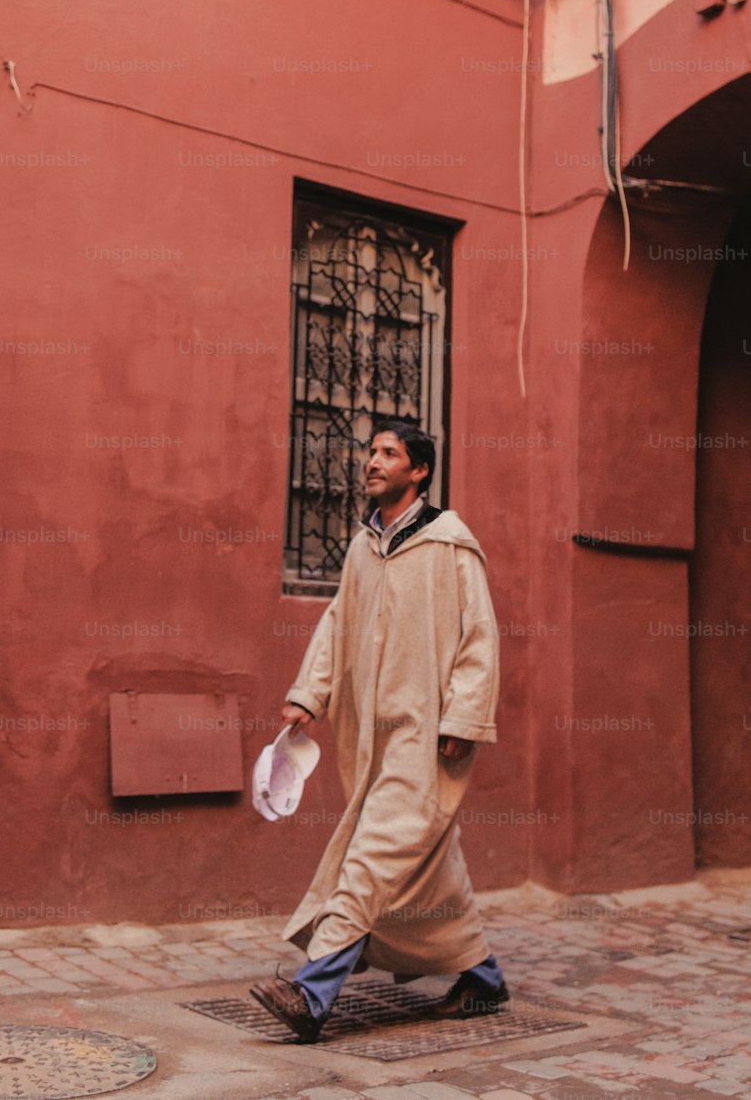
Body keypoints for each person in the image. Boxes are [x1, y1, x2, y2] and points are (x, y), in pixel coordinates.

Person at [250, 420, 506, 1042]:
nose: (373, 462)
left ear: (418, 471)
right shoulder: (364, 546)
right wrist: (309, 695)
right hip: (371, 737)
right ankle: (484, 978)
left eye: (388, 454)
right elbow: (338, 625)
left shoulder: (450, 543)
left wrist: (464, 718)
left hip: (426, 733)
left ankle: (312, 995)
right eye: (371, 452)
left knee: (371, 855)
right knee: (425, 863)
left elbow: (480, 637)